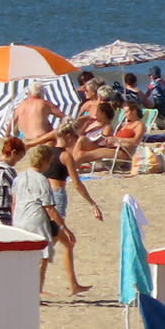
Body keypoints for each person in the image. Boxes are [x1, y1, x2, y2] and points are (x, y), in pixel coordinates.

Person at [44, 124, 101, 294]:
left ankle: (73, 284)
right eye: (74, 138)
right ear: (68, 136)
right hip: (57, 196)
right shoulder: (65, 156)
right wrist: (92, 203)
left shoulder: (48, 152)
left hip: (45, 195)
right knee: (51, 242)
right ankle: (37, 286)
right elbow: (77, 183)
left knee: (67, 243)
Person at [11, 146, 59, 293]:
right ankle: (35, 293)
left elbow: (14, 202)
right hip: (35, 220)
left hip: (19, 219)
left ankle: (21, 291)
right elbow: (49, 207)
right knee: (41, 259)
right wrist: (63, 227)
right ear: (44, 161)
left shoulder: (19, 177)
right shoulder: (42, 180)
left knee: (22, 259)